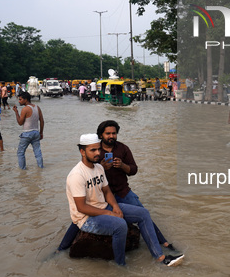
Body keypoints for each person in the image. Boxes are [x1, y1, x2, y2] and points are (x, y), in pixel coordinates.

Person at [64, 133, 184, 267]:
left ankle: (160, 258)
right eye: (93, 150)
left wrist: (115, 206)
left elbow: (107, 191)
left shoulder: (98, 168)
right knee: (120, 225)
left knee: (143, 213)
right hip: (87, 218)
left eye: (98, 149)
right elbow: (82, 207)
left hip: (103, 208)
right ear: (82, 151)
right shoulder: (76, 175)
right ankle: (120, 264)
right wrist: (110, 214)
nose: (97, 153)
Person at [13, 91, 44, 169]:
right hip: (36, 132)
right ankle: (41, 168)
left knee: (20, 152)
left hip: (27, 133)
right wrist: (41, 133)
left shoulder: (25, 109)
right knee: (38, 152)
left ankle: (22, 171)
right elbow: (42, 121)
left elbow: (20, 122)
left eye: (20, 99)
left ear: (25, 99)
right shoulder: (37, 107)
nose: (19, 101)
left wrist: (16, 113)